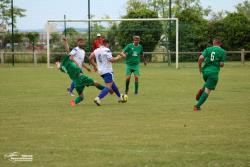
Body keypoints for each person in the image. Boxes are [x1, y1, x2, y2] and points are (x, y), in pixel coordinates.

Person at [194, 38, 226, 112]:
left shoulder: (208, 49)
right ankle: (197, 106)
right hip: (213, 73)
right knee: (207, 91)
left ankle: (201, 90)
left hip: (205, 72)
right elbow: (221, 64)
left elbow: (201, 58)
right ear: (220, 44)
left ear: (213, 43)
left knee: (207, 84)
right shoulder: (222, 51)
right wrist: (218, 63)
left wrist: (199, 67)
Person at [89, 39, 124, 106]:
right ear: (107, 44)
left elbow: (90, 57)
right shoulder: (107, 50)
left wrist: (95, 66)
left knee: (112, 84)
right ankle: (98, 98)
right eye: (109, 44)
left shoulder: (97, 50)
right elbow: (111, 60)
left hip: (101, 71)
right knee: (108, 87)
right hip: (107, 70)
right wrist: (119, 57)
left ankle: (120, 97)